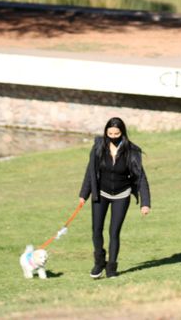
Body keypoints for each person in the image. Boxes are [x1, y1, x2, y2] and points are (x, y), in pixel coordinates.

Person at [78, 116, 151, 279]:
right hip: (101, 194)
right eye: (109, 133)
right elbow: (90, 172)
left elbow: (141, 178)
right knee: (96, 230)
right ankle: (99, 262)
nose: (112, 136)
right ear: (105, 132)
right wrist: (84, 194)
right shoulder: (98, 147)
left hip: (122, 194)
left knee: (114, 232)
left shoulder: (132, 151)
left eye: (116, 134)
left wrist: (145, 203)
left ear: (122, 133)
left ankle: (111, 267)